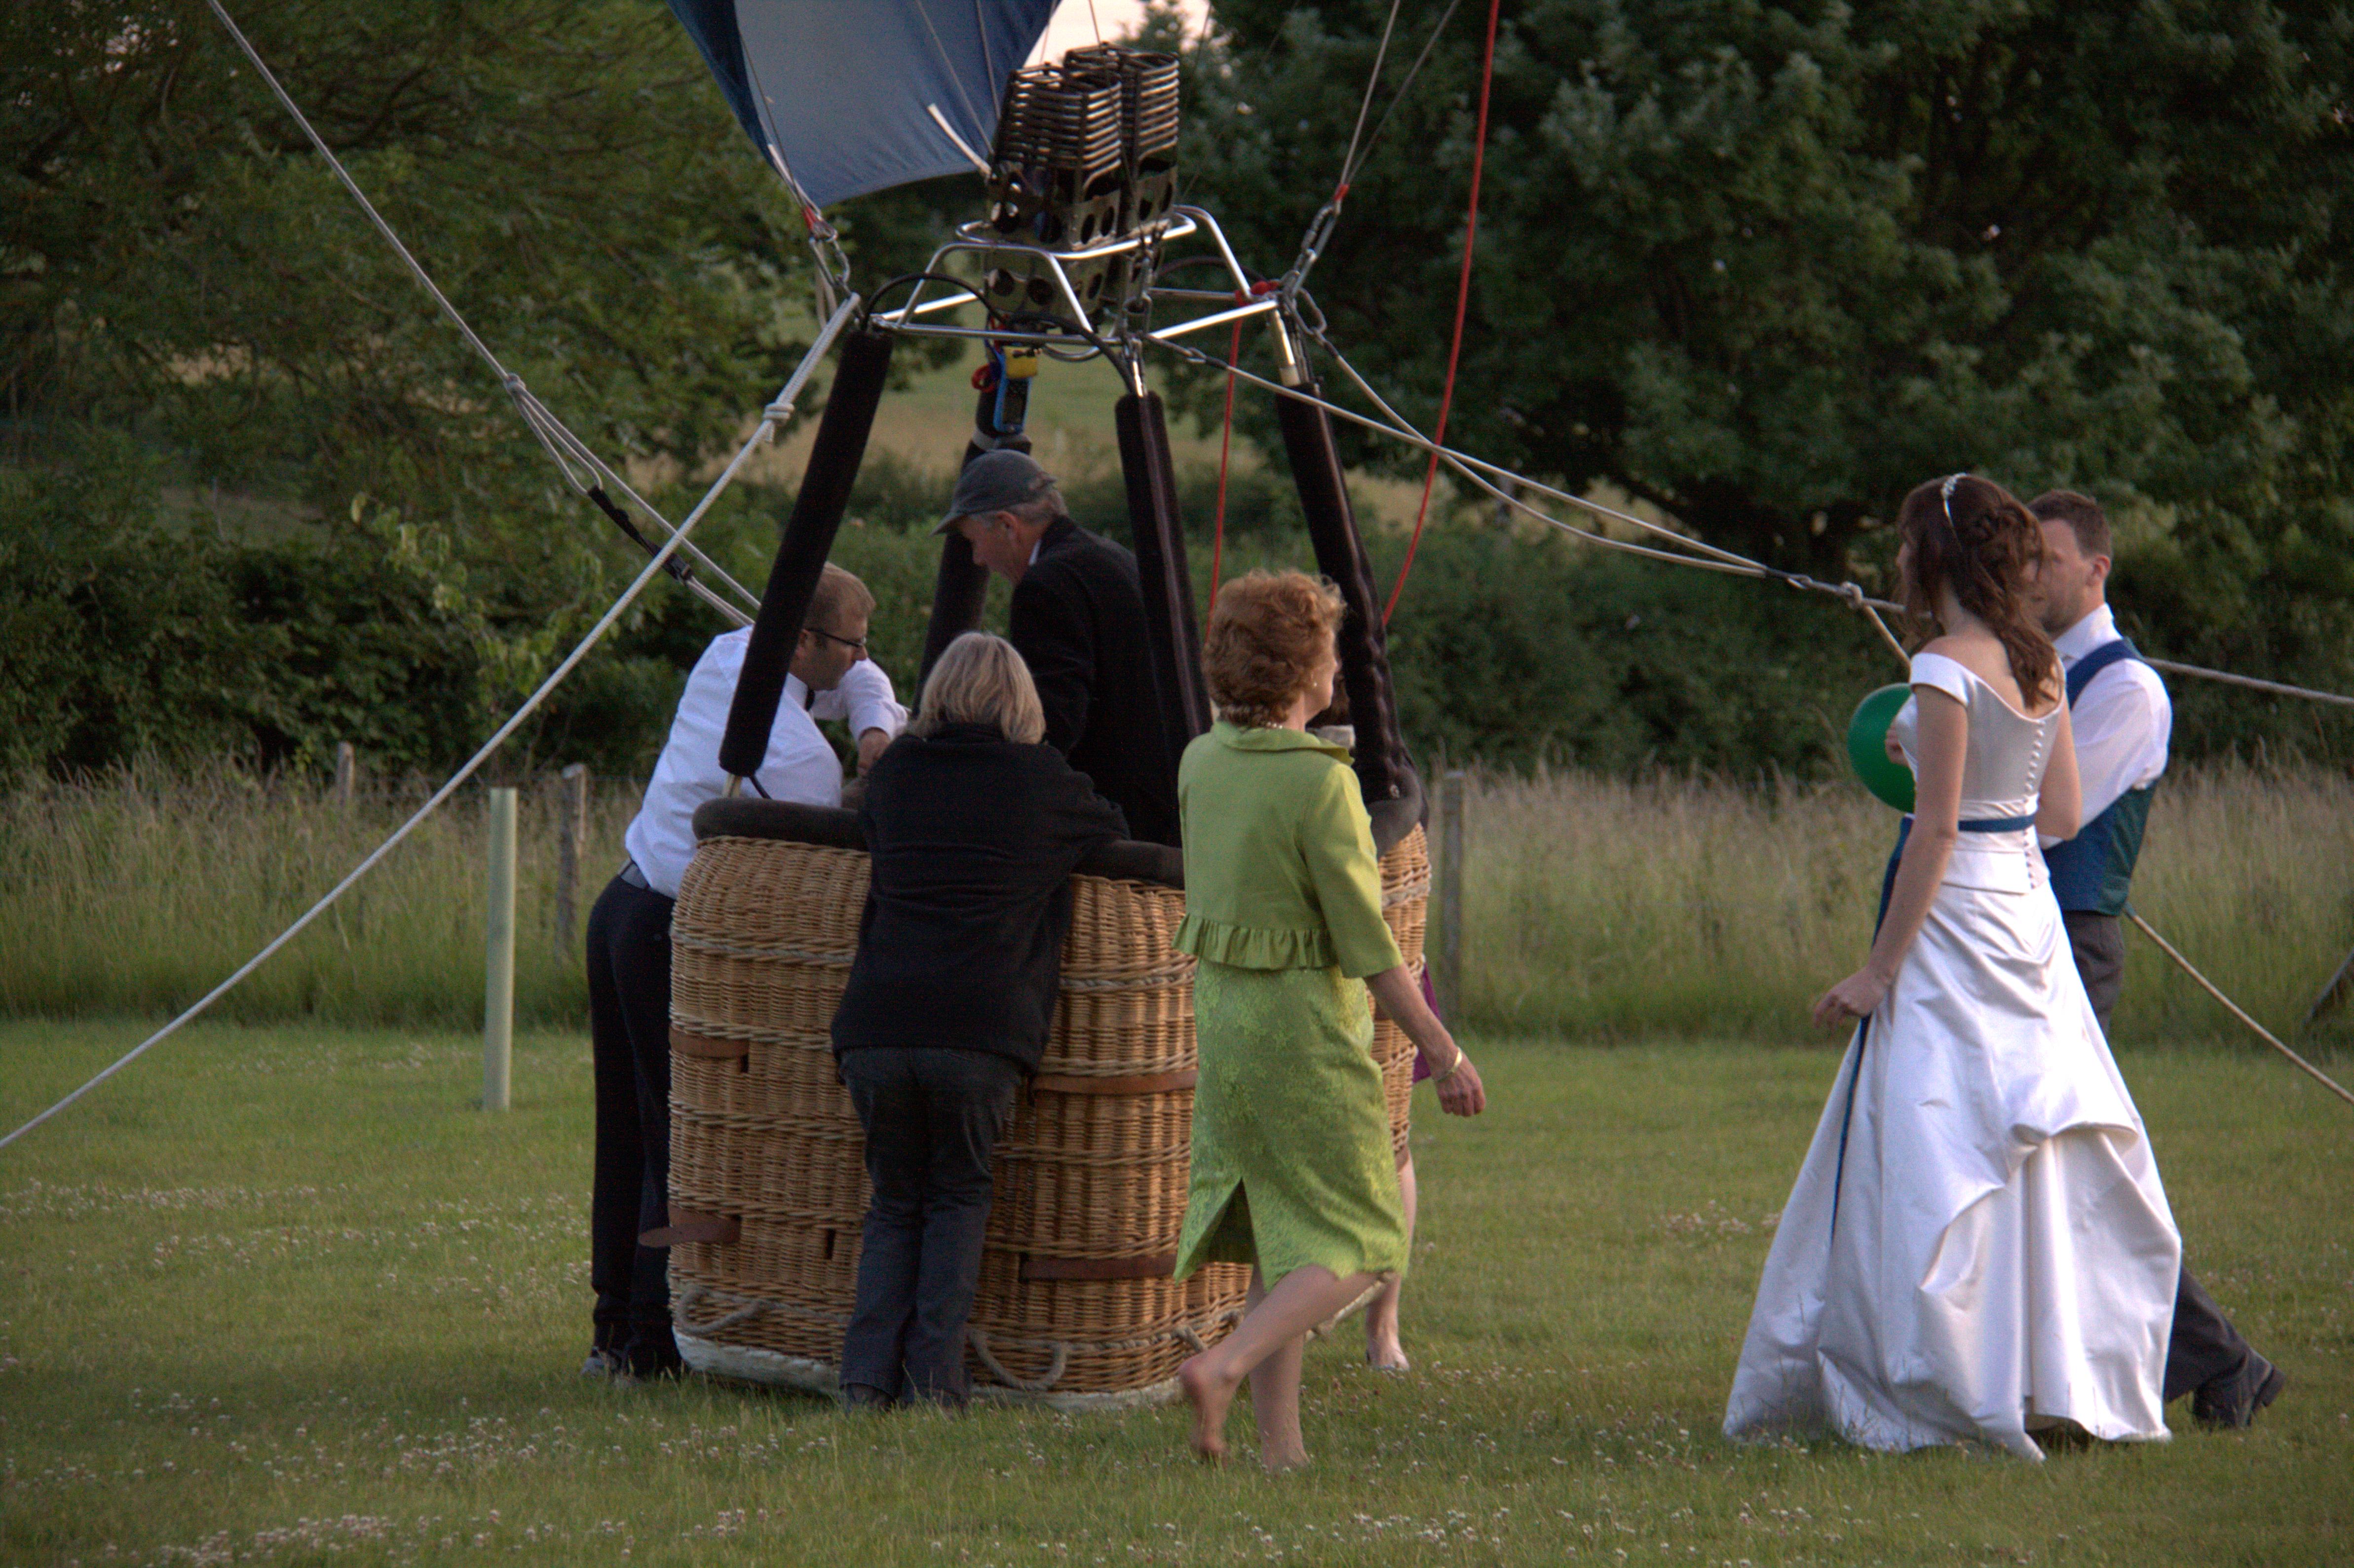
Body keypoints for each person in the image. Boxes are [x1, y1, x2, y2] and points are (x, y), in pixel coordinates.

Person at [1725, 474, 2180, 1459]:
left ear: (1931, 557)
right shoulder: (2041, 662)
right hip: (2026, 916)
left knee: (1933, 1139)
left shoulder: (1940, 664)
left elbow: (1933, 832)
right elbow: (2062, 813)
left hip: (1956, 919)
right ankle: (2042, 1373)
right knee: (2022, 1143)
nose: (1896, 562)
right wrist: (1980, 805)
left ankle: (1940, 1373)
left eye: (1903, 546)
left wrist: (1877, 972)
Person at [1170, 572, 1487, 1469]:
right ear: (1300, 666)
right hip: (1301, 1031)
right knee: (1368, 1238)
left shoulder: (1201, 760)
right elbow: (1370, 945)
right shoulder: (1322, 784)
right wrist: (1444, 1052)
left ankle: (1283, 1450)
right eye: (1328, 649)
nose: (1338, 665)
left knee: (1288, 1236)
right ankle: (1222, 1366)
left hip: (1223, 1021)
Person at [584, 564, 904, 1382]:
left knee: (627, 1132)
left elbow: (860, 679)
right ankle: (646, 1338)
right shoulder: (797, 760)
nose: (862, 656)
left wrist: (875, 721)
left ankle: (613, 1327)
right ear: (801, 644)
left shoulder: (731, 652)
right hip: (662, 930)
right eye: (850, 642)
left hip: (620, 907)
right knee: (674, 1135)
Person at [2029, 488, 2287, 1429]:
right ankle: (2209, 1361)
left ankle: (2223, 1358)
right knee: (2053, 1163)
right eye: (2022, 559)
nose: (2030, 575)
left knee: (2073, 1164)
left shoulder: (2126, 690)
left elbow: (2047, 818)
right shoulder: (2026, 670)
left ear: (2096, 569)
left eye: (2049, 559)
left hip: (2073, 937)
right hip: (2014, 935)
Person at [829, 632, 1128, 1407]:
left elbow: (863, 823)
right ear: (1021, 702)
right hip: (979, 1029)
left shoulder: (896, 775)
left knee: (894, 1200)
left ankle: (863, 1378)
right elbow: (1116, 829)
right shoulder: (1043, 781)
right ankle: (933, 1383)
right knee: (957, 1195)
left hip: (877, 1022)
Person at [940, 448, 1182, 844]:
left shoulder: (1046, 586)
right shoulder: (1112, 557)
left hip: (1118, 818)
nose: (978, 559)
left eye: (974, 541)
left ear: (1007, 525)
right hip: (1167, 795)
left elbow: (1052, 720)